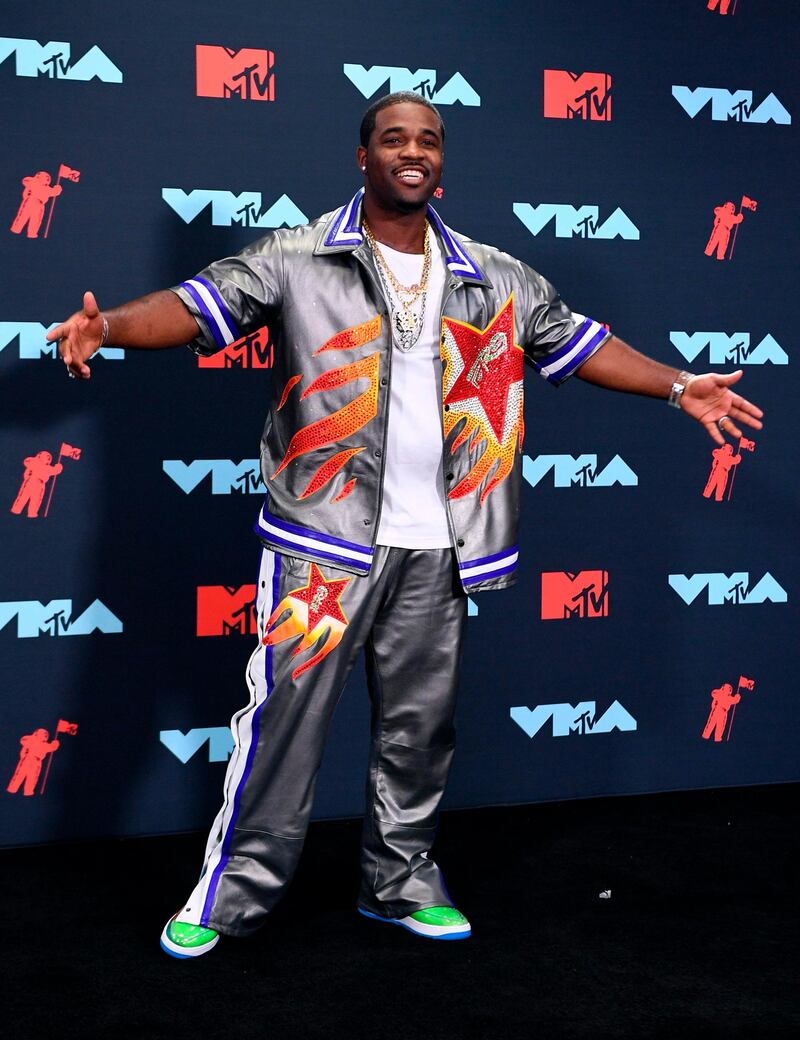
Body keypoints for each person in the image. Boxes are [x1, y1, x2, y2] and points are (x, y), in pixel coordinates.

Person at [49, 92, 764, 958]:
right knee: (283, 723)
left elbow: (577, 340)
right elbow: (201, 306)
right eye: (394, 138)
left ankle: (400, 881)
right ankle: (232, 893)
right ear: (363, 156)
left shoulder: (496, 275)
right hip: (324, 539)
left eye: (428, 139)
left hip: (445, 543)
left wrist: (680, 386)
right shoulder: (300, 255)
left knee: (418, 731)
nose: (413, 151)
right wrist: (111, 326)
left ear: (442, 158)